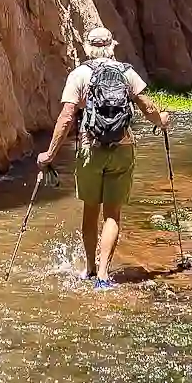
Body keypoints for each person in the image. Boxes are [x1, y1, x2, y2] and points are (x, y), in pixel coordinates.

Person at [38, 26, 170, 285]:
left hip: (90, 148)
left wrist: (49, 154)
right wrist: (162, 120)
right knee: (112, 214)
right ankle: (103, 275)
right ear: (112, 47)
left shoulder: (79, 75)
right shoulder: (126, 72)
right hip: (122, 148)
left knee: (90, 210)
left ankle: (88, 268)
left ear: (87, 47)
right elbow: (147, 106)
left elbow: (66, 117)